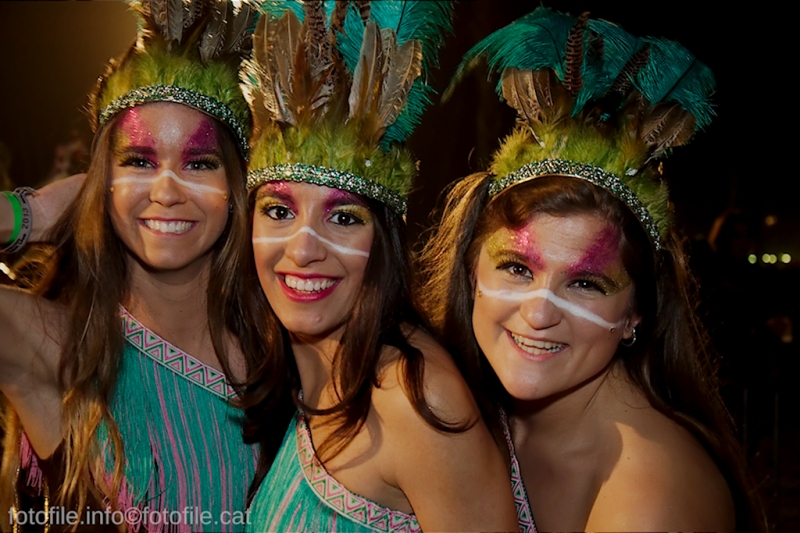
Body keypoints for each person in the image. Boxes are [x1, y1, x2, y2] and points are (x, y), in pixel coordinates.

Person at [419, 8, 762, 532]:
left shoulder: (651, 499)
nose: (537, 313)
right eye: (515, 267)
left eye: (583, 283)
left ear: (636, 314)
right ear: (470, 273)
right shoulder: (458, 408)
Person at [238, 2, 521, 531]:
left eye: (343, 217)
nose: (303, 250)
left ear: (383, 240)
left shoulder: (413, 398)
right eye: (279, 211)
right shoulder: (307, 371)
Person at [0, 1, 259, 531]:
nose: (166, 190)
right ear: (100, 181)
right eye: (138, 161)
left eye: (199, 163)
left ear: (235, 189)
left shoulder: (286, 353)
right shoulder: (53, 344)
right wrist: (34, 213)